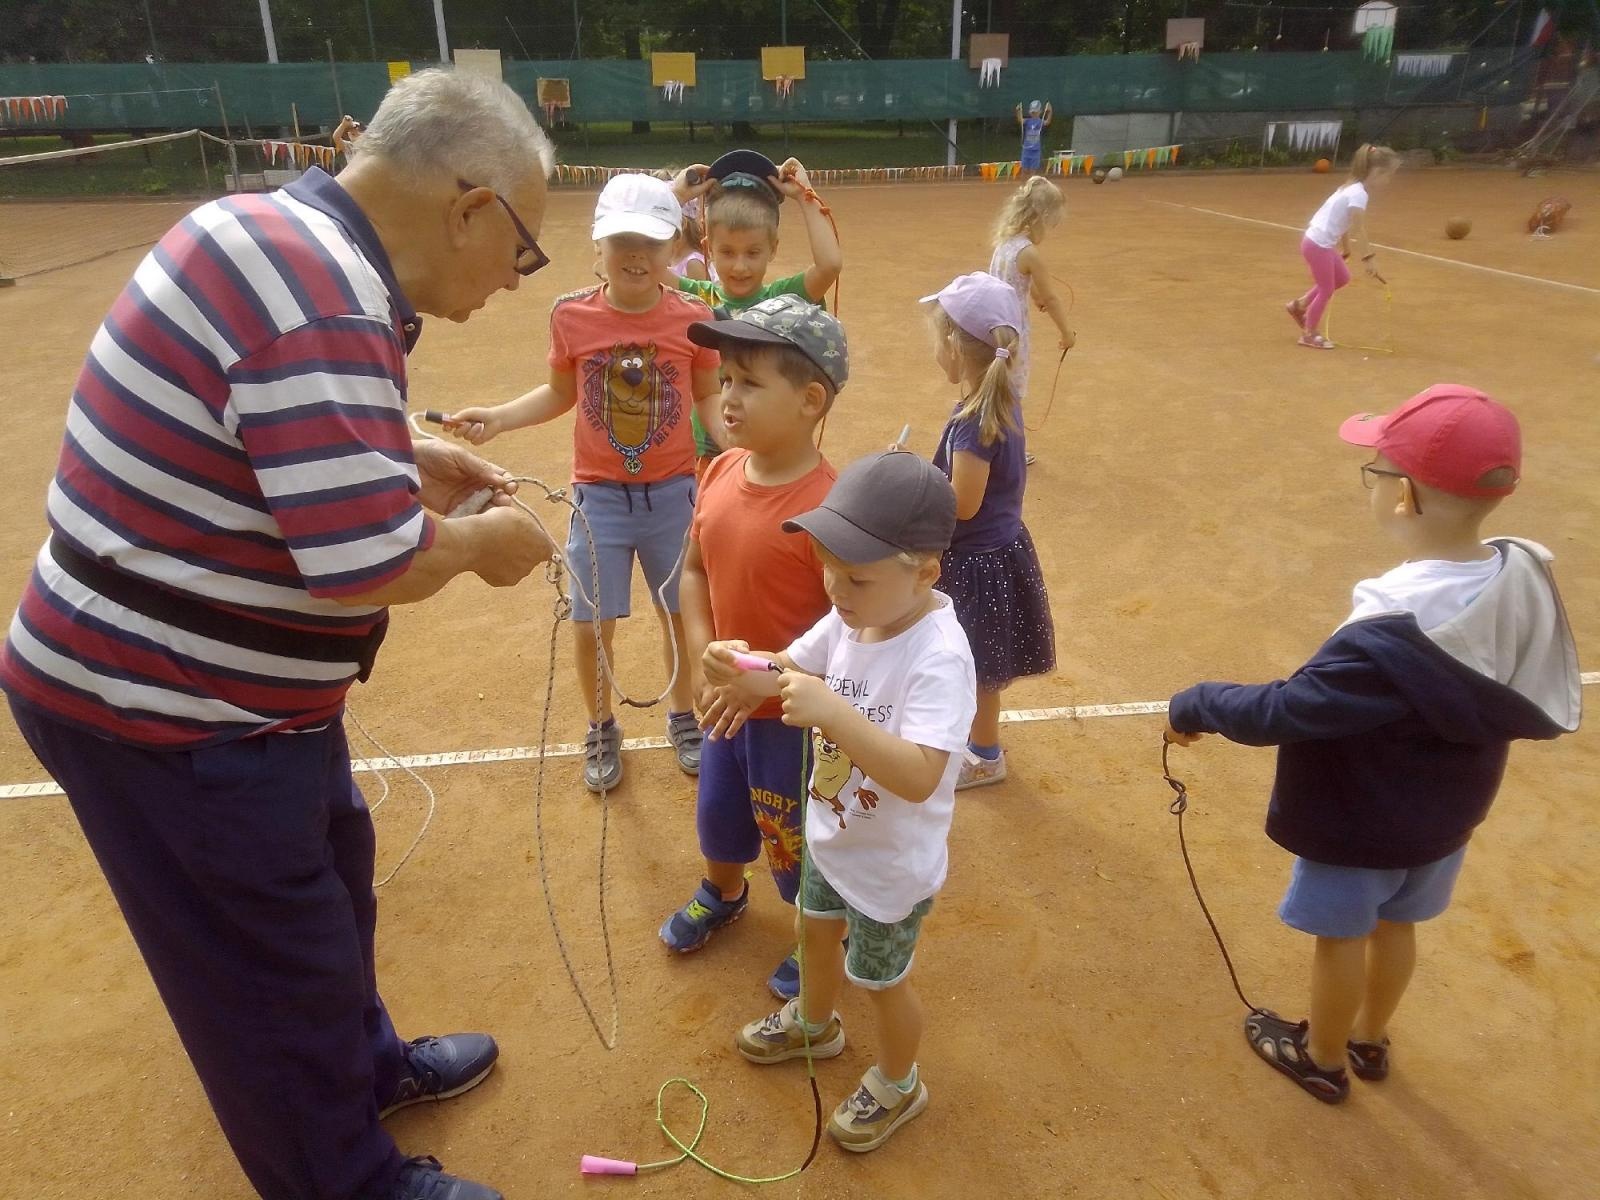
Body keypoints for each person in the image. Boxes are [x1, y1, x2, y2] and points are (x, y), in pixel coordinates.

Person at [1, 69, 559, 1200]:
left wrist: (402, 454)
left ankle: (364, 1067)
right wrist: (479, 546)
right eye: (523, 249)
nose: (514, 277)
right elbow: (368, 562)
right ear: (469, 207)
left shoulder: (278, 237)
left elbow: (264, 429)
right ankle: (345, 1180)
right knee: (266, 962)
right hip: (166, 708)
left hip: (227, 695)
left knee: (331, 886)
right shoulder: (323, 296)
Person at [1165, 385, 1580, 1104]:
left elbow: (1291, 708)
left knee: (1342, 939)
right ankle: (1370, 1036)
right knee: (1399, 923)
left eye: (1377, 471)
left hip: (1363, 820)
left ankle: (1322, 1058)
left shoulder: (1392, 624)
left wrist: (1196, 703)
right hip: (1446, 815)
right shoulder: (1513, 576)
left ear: (1404, 496)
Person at [703, 451, 977, 1154]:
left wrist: (832, 712)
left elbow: (920, 775)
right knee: (813, 931)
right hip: (834, 837)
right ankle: (814, 1023)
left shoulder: (938, 657)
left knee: (882, 982)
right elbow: (786, 670)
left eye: (856, 576)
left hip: (889, 867)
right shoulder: (851, 618)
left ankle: (899, 1081)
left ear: (925, 572)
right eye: (828, 568)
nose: (836, 587)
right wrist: (738, 664)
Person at [444, 173, 724, 791]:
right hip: (599, 498)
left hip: (675, 495)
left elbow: (708, 397)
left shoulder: (694, 318)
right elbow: (558, 392)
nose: (635, 255)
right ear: (598, 245)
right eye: (621, 240)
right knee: (591, 622)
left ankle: (683, 715)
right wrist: (500, 416)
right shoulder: (572, 315)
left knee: (681, 614)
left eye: (651, 243)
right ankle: (600, 725)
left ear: (673, 248)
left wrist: (735, 443)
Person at [657, 296, 846, 1000]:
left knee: (799, 837)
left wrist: (765, 679)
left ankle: (820, 927)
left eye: (750, 382)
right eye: (726, 378)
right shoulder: (719, 471)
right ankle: (724, 891)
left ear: (810, 400)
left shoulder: (831, 513)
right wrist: (706, 656)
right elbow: (694, 571)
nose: (727, 396)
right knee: (721, 814)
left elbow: (849, 636)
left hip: (793, 720)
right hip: (725, 706)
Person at [919, 274, 1055, 789]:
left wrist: (917, 486)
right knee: (979, 664)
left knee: (974, 665)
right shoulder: (1000, 401)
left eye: (938, 339)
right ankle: (979, 743)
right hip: (996, 553)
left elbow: (963, 502)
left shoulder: (974, 420)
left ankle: (984, 754)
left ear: (955, 346)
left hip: (974, 564)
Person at [670, 150, 844, 480]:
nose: (740, 266)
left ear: (773, 248)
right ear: (707, 248)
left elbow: (830, 265)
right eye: (727, 252)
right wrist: (675, 197)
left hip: (769, 447)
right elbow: (646, 262)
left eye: (753, 252)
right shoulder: (698, 297)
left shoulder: (782, 299)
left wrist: (805, 196)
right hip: (710, 451)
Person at [988, 176, 1076, 442]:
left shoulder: (1004, 242)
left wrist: (1033, 295)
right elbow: (1051, 298)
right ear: (1041, 218)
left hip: (991, 325)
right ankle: (1010, 449)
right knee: (1012, 392)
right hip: (1015, 332)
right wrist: (1066, 333)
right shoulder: (1029, 253)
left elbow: (1019, 280)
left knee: (995, 385)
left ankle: (992, 439)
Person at [1287, 143, 1400, 350]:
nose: (1388, 180)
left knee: (1342, 278)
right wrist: (1369, 259)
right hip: (1317, 245)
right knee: (1326, 289)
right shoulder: (1358, 194)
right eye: (1388, 175)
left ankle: (1299, 305)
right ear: (1376, 172)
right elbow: (1359, 228)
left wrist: (1346, 247)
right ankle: (1309, 334)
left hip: (1320, 242)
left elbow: (1344, 222)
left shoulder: (1351, 187)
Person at [1014, 99, 1053, 175]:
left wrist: (1050, 112)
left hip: (1035, 150)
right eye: (1033, 112)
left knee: (1033, 170)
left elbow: (1047, 122)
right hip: (1026, 149)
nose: (1034, 114)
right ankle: (1024, 182)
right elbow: (1020, 120)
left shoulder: (1040, 121)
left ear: (1040, 112)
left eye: (1035, 112)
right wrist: (1018, 111)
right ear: (1030, 112)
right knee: (1024, 169)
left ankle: (1032, 182)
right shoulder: (1028, 121)